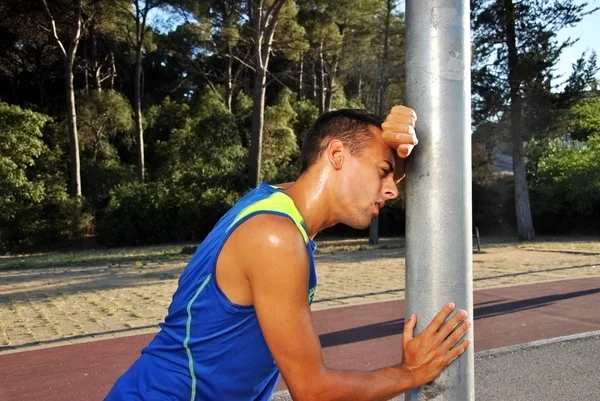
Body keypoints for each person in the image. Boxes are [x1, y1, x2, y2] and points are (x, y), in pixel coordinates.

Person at [105, 106, 472, 401]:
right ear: (337, 155)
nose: (392, 191)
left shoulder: (277, 207)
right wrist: (409, 373)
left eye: (397, 179)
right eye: (384, 172)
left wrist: (408, 120)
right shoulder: (275, 237)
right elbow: (313, 392)